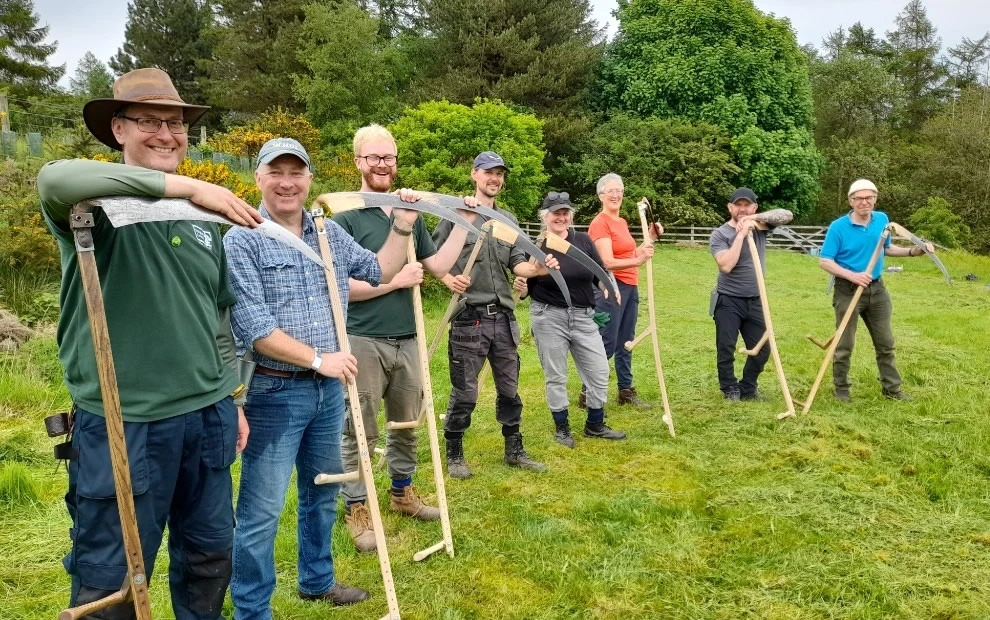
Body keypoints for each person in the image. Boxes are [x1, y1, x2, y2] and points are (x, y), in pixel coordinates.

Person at [38, 68, 261, 619]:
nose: (167, 134)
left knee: (209, 556)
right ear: (118, 129)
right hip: (126, 420)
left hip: (206, 417)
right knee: (110, 573)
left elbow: (218, 315)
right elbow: (54, 178)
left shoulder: (204, 222)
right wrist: (191, 186)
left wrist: (231, 398)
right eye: (149, 122)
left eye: (176, 124)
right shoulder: (94, 210)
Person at [224, 138, 420, 615]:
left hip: (329, 392)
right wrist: (319, 359)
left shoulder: (328, 233)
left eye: (296, 172)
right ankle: (252, 610)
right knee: (262, 510)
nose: (286, 183)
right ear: (258, 178)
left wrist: (401, 225)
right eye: (276, 172)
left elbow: (378, 270)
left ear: (310, 179)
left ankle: (316, 581)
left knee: (323, 491)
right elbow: (254, 328)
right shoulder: (243, 237)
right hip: (274, 390)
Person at [332, 124, 469, 553]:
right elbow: (339, 286)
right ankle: (357, 506)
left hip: (408, 338)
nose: (382, 164)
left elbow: (438, 265)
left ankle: (402, 492)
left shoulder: (409, 213)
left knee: (407, 422)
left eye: (388, 157)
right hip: (363, 338)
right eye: (373, 157)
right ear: (358, 161)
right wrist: (395, 282)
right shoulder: (345, 217)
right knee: (360, 428)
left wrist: (463, 224)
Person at [433, 151, 554, 479]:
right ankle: (454, 452)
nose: (495, 179)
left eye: (499, 174)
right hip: (469, 319)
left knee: (510, 388)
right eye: (489, 172)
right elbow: (432, 258)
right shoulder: (456, 215)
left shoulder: (508, 220)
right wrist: (448, 279)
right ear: (475, 174)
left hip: (503, 319)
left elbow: (518, 264)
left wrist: (538, 269)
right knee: (465, 391)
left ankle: (514, 449)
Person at [526, 192, 627, 448]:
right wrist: (521, 284)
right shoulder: (537, 245)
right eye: (556, 213)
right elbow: (525, 283)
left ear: (570, 216)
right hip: (549, 316)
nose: (561, 218)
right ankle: (562, 429)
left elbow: (598, 271)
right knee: (556, 375)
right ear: (545, 217)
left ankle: (595, 424)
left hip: (583, 317)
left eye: (565, 213)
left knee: (599, 371)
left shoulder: (582, 240)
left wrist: (607, 286)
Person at [819, 179, 931, 402]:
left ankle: (892, 389)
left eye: (869, 197)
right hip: (848, 290)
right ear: (851, 201)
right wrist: (853, 275)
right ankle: (841, 389)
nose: (864, 202)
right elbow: (825, 261)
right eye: (859, 198)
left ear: (875, 199)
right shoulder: (838, 227)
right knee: (844, 344)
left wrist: (913, 252)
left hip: (877, 290)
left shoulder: (882, 220)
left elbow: (886, 248)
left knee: (885, 343)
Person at [585, 172, 662, 409]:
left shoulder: (622, 222)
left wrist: (650, 238)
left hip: (630, 286)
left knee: (626, 341)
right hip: (610, 289)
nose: (616, 195)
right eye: (610, 191)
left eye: (619, 191)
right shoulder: (600, 223)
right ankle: (588, 392)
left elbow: (631, 254)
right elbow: (607, 262)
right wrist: (638, 261)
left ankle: (625, 391)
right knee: (606, 342)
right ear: (601, 196)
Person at [709, 187, 793, 401]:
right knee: (726, 347)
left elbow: (786, 215)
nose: (742, 209)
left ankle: (747, 387)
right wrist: (741, 234)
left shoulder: (761, 226)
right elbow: (726, 265)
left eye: (747, 205)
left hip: (756, 299)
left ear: (754, 207)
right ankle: (729, 388)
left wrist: (753, 220)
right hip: (728, 300)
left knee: (763, 348)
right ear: (730, 207)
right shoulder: (720, 234)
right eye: (738, 205)